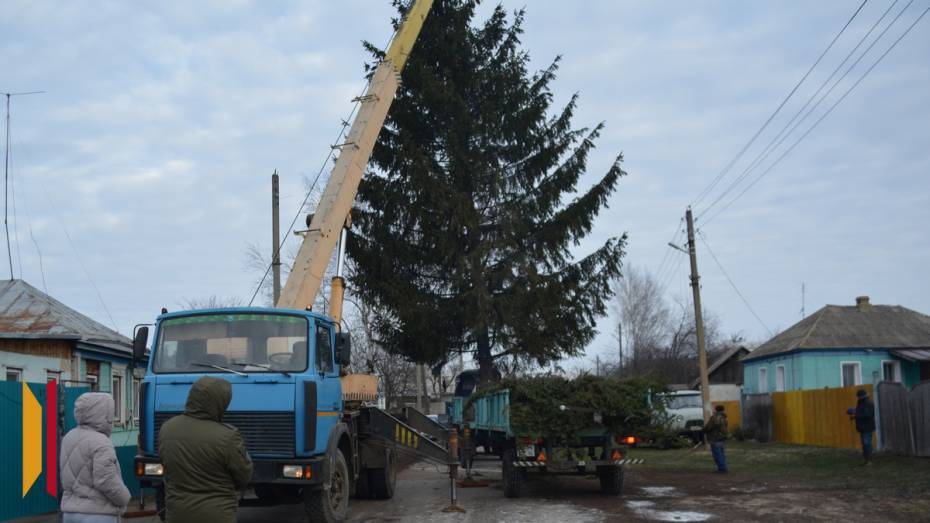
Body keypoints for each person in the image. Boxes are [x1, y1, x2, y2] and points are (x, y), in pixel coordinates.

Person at [159, 376, 252, 523]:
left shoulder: (167, 429)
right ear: (219, 402)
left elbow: (167, 467)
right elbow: (244, 476)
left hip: (177, 514)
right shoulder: (228, 436)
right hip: (217, 515)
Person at [59, 392, 132, 523]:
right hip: (98, 514)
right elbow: (105, 480)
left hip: (70, 512)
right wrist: (124, 498)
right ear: (103, 414)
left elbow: (66, 477)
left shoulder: (69, 437)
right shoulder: (101, 441)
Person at [851, 388, 876, 465]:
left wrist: (856, 415)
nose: (858, 398)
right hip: (863, 427)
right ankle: (867, 460)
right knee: (865, 444)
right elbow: (862, 413)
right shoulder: (861, 403)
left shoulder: (867, 403)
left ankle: (868, 460)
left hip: (867, 427)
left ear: (861, 397)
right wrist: (854, 416)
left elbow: (868, 415)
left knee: (866, 443)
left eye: (858, 396)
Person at [703, 404, 729, 473]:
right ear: (723, 410)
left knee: (717, 454)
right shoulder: (724, 417)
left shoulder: (714, 417)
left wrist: (704, 430)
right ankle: (724, 467)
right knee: (721, 453)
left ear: (716, 410)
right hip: (722, 437)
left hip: (715, 437)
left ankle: (721, 468)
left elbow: (709, 426)